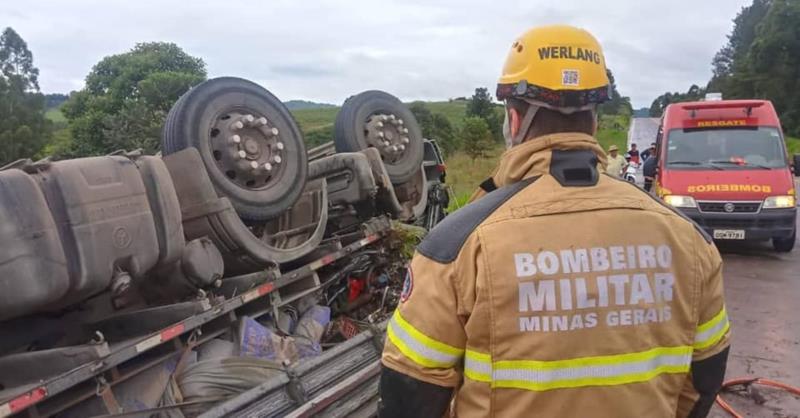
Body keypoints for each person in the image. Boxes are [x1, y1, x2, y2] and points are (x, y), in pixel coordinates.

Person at [379, 25, 729, 418]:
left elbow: (409, 391)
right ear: (594, 122)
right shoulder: (688, 240)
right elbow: (704, 378)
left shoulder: (456, 246)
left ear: (514, 120)